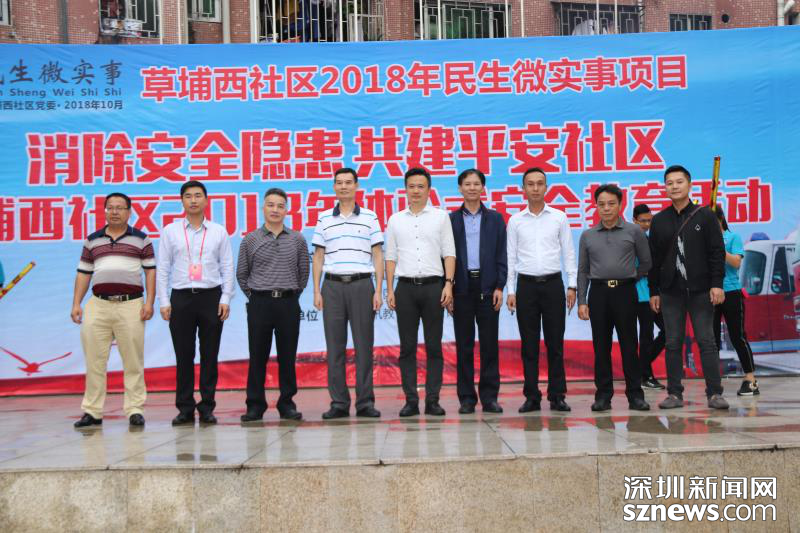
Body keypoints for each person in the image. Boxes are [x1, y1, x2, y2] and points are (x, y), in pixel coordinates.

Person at [70, 192, 156, 427]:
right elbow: (84, 273)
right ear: (105, 210)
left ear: (129, 212)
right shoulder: (92, 240)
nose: (115, 212)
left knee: (133, 360)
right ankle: (92, 411)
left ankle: (135, 409)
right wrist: (76, 303)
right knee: (95, 360)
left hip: (131, 305)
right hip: (98, 305)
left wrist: (149, 302)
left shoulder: (142, 239)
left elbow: (150, 272)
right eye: (110, 207)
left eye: (120, 208)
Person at [648, 165, 729, 410]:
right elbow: (654, 259)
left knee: (707, 341)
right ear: (665, 188)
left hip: (701, 290)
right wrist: (653, 291)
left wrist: (717, 284)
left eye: (679, 182)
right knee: (672, 342)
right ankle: (674, 394)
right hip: (671, 291)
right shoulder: (659, 220)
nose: (674, 186)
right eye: (669, 183)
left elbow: (717, 253)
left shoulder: (705, 216)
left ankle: (714, 393)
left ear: (689, 185)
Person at [157, 181, 235, 425]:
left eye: (198, 195)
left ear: (206, 200)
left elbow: (227, 266)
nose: (193, 200)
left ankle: (207, 407)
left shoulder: (218, 231)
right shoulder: (170, 231)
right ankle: (185, 408)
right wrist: (163, 300)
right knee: (184, 356)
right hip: (181, 297)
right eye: (188, 196)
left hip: (211, 296)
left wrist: (226, 297)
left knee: (209, 355)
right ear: (181, 201)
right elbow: (163, 267)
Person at [311, 168, 384, 419]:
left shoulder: (370, 216)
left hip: (362, 285)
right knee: (335, 348)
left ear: (356, 186)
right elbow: (318, 256)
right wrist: (316, 290)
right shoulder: (324, 218)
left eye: (348, 182)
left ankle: (365, 403)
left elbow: (377, 255)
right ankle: (339, 403)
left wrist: (379, 290)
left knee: (364, 347)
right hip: (331, 287)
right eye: (339, 182)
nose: (344, 186)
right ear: (334, 187)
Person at [385, 167, 456, 417]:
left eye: (421, 186)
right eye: (411, 186)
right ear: (405, 189)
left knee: (434, 346)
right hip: (404, 288)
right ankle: (411, 400)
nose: (416, 191)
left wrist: (448, 284)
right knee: (407, 348)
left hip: (434, 287)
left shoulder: (440, 217)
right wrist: (389, 288)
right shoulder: (395, 219)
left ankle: (433, 400)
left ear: (428, 189)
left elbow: (449, 253)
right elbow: (390, 256)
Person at [506, 167, 577, 413]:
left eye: (540, 183)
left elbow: (569, 253)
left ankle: (557, 395)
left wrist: (572, 285)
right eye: (530, 184)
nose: (535, 188)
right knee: (529, 345)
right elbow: (510, 257)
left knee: (555, 343)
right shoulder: (515, 221)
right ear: (523, 188)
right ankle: (532, 396)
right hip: (525, 287)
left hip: (553, 285)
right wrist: (511, 290)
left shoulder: (559, 217)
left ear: (546, 187)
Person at [577, 184, 651, 411]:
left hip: (625, 293)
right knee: (601, 347)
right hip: (598, 293)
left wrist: (630, 277)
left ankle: (635, 395)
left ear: (620, 205)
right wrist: (582, 301)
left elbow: (646, 262)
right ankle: (603, 396)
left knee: (629, 345)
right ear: (596, 206)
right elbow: (583, 270)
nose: (606, 208)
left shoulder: (634, 231)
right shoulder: (588, 235)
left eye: (611, 204)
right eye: (601, 204)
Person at [238, 188, 309, 422]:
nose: (275, 210)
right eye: (271, 205)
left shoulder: (297, 239)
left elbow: (303, 273)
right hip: (260, 303)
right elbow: (242, 274)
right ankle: (255, 405)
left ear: (286, 210)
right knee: (257, 356)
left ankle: (287, 404)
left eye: (280, 206)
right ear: (263, 208)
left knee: (287, 357)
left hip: (288, 303)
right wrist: (256, 296)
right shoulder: (250, 239)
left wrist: (290, 294)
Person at [447, 168, 507, 414]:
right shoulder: (450, 220)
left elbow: (502, 254)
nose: (472, 188)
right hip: (461, 287)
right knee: (464, 346)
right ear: (460, 188)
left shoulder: (495, 219)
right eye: (467, 184)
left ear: (483, 188)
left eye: (476, 184)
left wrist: (500, 286)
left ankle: (490, 397)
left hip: (488, 287)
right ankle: (467, 398)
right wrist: (448, 288)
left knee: (489, 345)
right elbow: (445, 256)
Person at [713, 207, 758, 396]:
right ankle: (713, 382)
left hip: (731, 291)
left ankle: (750, 379)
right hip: (711, 293)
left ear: (721, 218)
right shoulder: (703, 241)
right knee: (712, 340)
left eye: (712, 220)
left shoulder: (733, 237)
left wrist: (718, 247)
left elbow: (736, 263)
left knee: (737, 336)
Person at [632, 204, 666, 390]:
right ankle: (645, 375)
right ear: (634, 220)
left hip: (652, 294)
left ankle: (640, 369)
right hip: (637, 295)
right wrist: (648, 271)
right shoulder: (630, 240)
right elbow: (631, 269)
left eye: (649, 221)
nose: (646, 224)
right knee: (645, 336)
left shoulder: (649, 239)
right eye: (643, 221)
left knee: (667, 331)